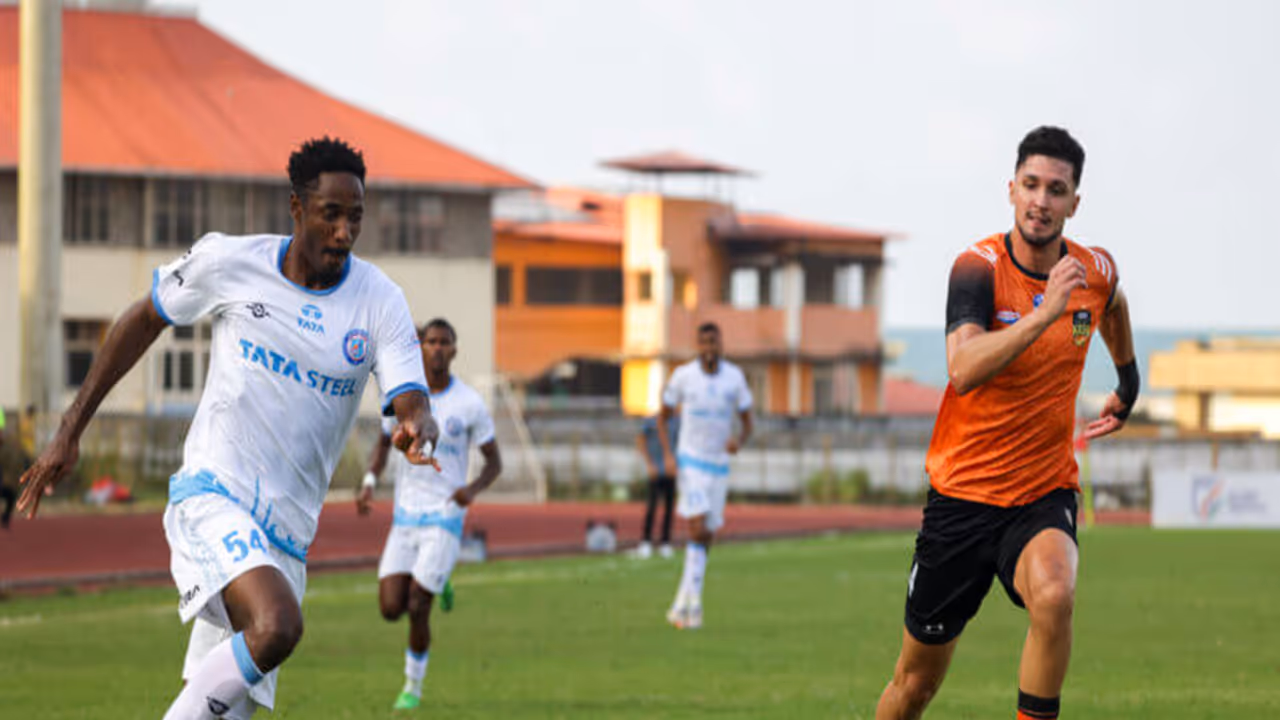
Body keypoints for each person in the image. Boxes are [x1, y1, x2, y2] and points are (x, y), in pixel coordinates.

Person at [18, 137, 439, 720]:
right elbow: (144, 318)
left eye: (356, 217)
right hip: (215, 495)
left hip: (286, 538)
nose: (345, 232)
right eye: (331, 214)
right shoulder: (229, 263)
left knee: (226, 707)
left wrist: (418, 426)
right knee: (279, 624)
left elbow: (411, 396)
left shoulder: (379, 302)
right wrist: (70, 429)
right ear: (297, 207)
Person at [875, 126, 1137, 720]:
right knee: (914, 683)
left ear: (1075, 202)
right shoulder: (978, 267)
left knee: (1055, 591)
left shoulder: (1093, 270)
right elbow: (963, 367)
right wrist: (1044, 315)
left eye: (1056, 189)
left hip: (1042, 492)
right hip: (961, 499)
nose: (1041, 200)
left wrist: (1128, 381)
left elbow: (1114, 303)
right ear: (1011, 191)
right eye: (1031, 185)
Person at [358, 317, 502, 711]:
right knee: (391, 608)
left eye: (445, 342)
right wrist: (370, 481)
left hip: (445, 515)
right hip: (405, 517)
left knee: (419, 605)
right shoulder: (404, 398)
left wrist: (469, 492)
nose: (437, 348)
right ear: (421, 347)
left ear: (454, 350)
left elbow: (494, 463)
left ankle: (412, 688)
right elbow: (385, 444)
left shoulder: (469, 403)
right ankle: (439, 580)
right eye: (431, 341)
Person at [657, 322, 753, 630]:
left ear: (720, 344)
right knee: (696, 527)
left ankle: (679, 605)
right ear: (697, 346)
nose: (709, 348)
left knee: (707, 535)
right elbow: (662, 416)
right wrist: (669, 455)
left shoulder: (734, 378)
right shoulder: (684, 376)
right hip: (691, 462)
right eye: (704, 342)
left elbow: (748, 420)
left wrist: (739, 440)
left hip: (718, 465)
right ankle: (694, 607)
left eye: (714, 342)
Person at [634, 412, 679, 559]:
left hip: (670, 470)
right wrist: (648, 464)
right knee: (652, 507)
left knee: (669, 507)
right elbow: (640, 440)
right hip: (656, 469)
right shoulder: (651, 420)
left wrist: (677, 464)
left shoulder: (678, 421)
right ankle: (646, 541)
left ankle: (665, 542)